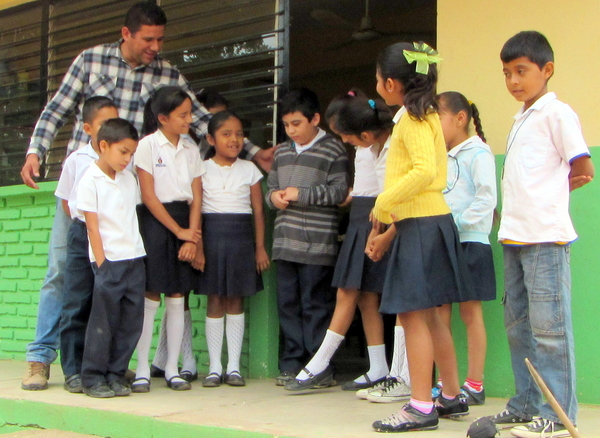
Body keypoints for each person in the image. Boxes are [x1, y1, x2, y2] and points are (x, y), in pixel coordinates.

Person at [19, 0, 272, 390]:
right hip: (85, 182)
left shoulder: (167, 73)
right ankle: (41, 358)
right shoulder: (90, 60)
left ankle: (106, 366)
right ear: (126, 34)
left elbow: (205, 120)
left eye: (160, 39)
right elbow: (56, 109)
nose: (156, 47)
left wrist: (254, 153)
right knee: (64, 275)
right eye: (148, 39)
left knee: (119, 285)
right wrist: (36, 150)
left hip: (128, 190)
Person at [487, 31, 594, 438]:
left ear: (546, 70)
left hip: (545, 239)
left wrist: (547, 198)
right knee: (518, 328)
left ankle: (557, 414)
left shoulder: (557, 113)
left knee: (551, 330)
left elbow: (583, 169)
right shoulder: (521, 118)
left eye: (521, 71)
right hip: (513, 239)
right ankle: (526, 405)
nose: (513, 81)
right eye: (506, 73)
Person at [367, 42, 476, 433]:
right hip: (432, 222)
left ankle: (419, 405)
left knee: (411, 317)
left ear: (392, 84)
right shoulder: (427, 115)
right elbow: (434, 175)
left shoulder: (410, 121)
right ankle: (449, 395)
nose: (378, 86)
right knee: (432, 318)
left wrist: (383, 203)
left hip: (421, 228)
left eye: (378, 81)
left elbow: (425, 172)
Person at [284, 90, 401, 394]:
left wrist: (380, 221)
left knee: (386, 296)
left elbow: (388, 186)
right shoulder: (364, 145)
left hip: (381, 215)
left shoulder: (386, 143)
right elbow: (364, 182)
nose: (345, 141)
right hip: (363, 212)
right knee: (360, 294)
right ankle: (378, 367)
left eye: (345, 134)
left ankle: (321, 363)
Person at [265, 88, 349, 387]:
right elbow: (270, 188)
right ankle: (291, 363)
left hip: (318, 243)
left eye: (297, 123)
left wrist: (302, 195)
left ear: (315, 119)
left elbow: (340, 192)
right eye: (287, 125)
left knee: (316, 305)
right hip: (285, 243)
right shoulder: (283, 152)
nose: (291, 130)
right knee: (288, 304)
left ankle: (319, 364)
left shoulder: (334, 149)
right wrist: (274, 197)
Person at [132, 86, 204, 392]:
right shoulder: (147, 146)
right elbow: (148, 196)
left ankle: (173, 368)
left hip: (184, 221)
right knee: (151, 295)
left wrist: (192, 238)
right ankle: (142, 369)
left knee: (177, 296)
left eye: (190, 113)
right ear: (163, 118)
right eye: (183, 115)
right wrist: (178, 232)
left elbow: (197, 197)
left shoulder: (191, 149)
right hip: (154, 222)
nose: (189, 119)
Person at [195, 111, 269, 388]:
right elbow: (197, 211)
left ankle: (234, 367)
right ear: (211, 139)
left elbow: (258, 211)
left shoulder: (250, 169)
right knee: (215, 298)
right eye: (226, 134)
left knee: (236, 299)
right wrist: (199, 246)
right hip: (212, 236)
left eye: (239, 134)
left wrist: (259, 248)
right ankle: (215, 367)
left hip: (241, 239)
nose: (234, 139)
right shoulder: (201, 169)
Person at [433, 91, 497, 406]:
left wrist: (457, 223)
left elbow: (487, 197)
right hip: (444, 244)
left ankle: (474, 384)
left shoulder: (478, 153)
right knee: (439, 314)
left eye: (438, 118)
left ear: (460, 119)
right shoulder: (439, 156)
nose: (434, 126)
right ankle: (446, 385)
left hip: (471, 242)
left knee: (471, 314)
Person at [54, 97, 119, 394]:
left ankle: (100, 366)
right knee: (77, 301)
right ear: (88, 128)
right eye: (104, 124)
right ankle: (73, 369)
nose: (111, 129)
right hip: (82, 235)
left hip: (112, 235)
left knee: (105, 303)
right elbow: (68, 202)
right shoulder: (76, 160)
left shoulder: (122, 159)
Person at [77, 118, 145, 398]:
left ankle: (117, 375)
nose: (127, 160)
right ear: (103, 145)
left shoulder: (130, 179)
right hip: (109, 263)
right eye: (123, 152)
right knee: (103, 323)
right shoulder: (89, 180)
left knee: (131, 323)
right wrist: (102, 264)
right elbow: (92, 227)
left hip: (135, 259)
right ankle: (92, 378)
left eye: (131, 153)